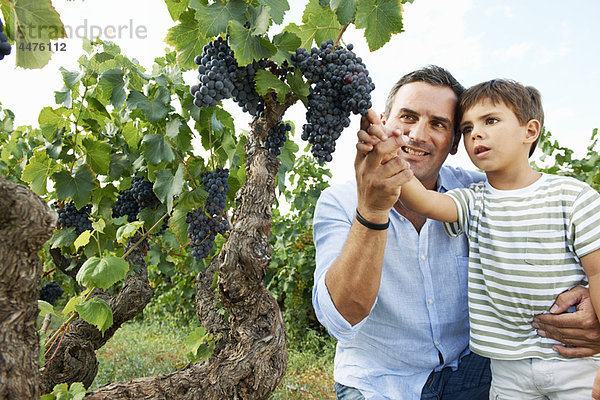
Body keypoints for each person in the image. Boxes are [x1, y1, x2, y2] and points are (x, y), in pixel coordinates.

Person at [312, 66, 600, 400]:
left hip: (474, 367)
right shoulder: (340, 202)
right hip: (382, 379)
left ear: (452, 145)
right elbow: (340, 320)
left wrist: (589, 305)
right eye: (406, 117)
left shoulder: (487, 193)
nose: (418, 134)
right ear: (385, 121)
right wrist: (372, 208)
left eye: (438, 124)